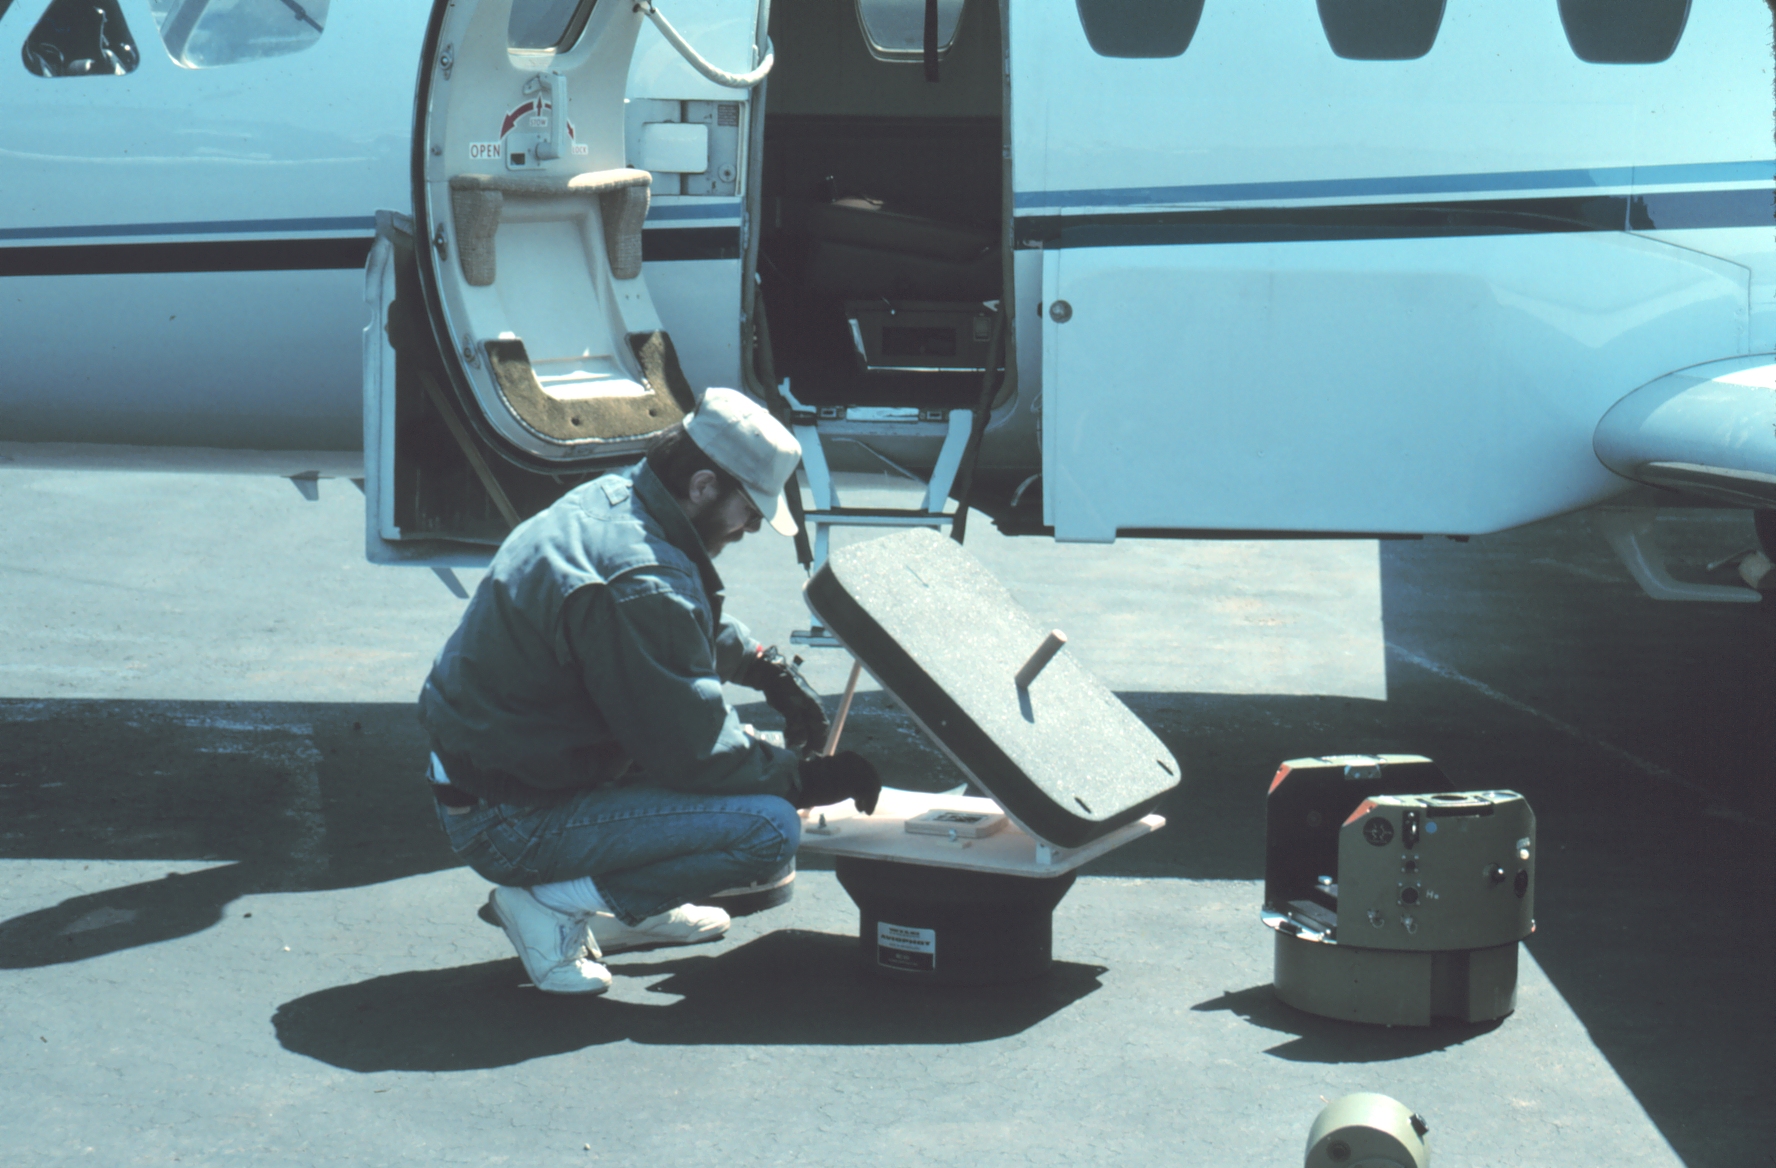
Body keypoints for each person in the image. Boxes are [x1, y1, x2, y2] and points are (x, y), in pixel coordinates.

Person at [418, 388, 882, 994]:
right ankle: (554, 904)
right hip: (510, 820)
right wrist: (807, 779)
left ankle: (615, 908)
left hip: (503, 778)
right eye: (749, 509)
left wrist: (768, 668)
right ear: (703, 485)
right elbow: (697, 753)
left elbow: (672, 631)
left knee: (754, 761)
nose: (749, 529)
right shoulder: (637, 579)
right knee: (767, 826)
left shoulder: (620, 502)